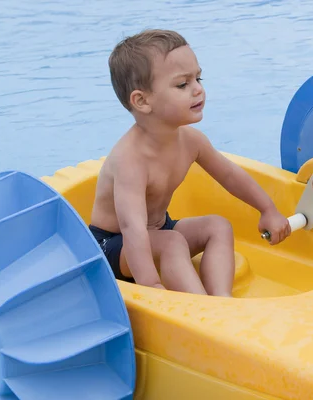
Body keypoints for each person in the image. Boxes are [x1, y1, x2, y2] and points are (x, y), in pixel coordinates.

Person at [89, 29, 291, 297]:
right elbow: (133, 228)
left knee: (217, 226)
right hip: (113, 247)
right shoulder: (130, 160)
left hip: (160, 229)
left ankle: (222, 300)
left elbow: (230, 175)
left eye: (198, 77)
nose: (198, 89)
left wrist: (268, 209)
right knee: (172, 243)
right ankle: (201, 308)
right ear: (142, 100)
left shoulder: (190, 141)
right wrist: (151, 287)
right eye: (182, 85)